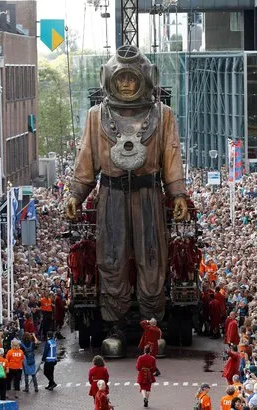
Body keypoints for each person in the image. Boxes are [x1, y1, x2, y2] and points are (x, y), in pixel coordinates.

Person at [66, 45, 188, 324]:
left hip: (149, 194)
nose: (127, 84)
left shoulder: (163, 115)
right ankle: (114, 326)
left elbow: (171, 154)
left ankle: (152, 321)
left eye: (132, 79)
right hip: (112, 194)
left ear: (146, 79)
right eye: (121, 79)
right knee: (110, 258)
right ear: (108, 79)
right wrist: (76, 194)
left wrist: (177, 193)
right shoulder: (96, 116)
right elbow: (86, 157)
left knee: (152, 258)